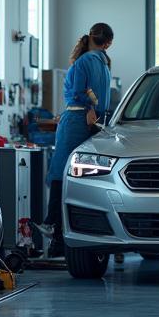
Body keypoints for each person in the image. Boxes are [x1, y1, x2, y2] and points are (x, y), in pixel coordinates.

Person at [40, 22, 113, 257]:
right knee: (82, 176)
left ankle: (52, 224)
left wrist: (86, 105)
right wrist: (93, 106)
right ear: (108, 43)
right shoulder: (105, 64)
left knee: (59, 171)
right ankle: (63, 236)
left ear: (90, 37)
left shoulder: (83, 62)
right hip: (94, 121)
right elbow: (95, 93)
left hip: (76, 119)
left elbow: (81, 92)